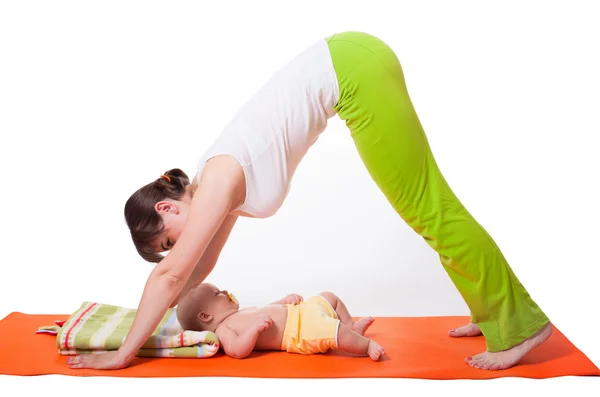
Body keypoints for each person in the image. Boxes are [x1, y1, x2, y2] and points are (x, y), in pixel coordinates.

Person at [66, 31, 552, 372]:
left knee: (428, 208)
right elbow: (196, 268)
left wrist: (124, 352)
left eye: (170, 239)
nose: (181, 246)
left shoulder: (215, 181)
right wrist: (145, 323)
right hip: (351, 58)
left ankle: (520, 325)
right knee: (429, 206)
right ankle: (492, 310)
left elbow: (173, 273)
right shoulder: (217, 184)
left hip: (353, 70)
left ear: (168, 209)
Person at [175, 283, 385, 361]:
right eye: (218, 293)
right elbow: (236, 350)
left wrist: (284, 301)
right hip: (299, 332)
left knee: (329, 297)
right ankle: (365, 346)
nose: (225, 292)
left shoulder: (241, 312)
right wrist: (253, 330)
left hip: (301, 312)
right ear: (206, 316)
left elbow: (268, 309)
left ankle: (351, 328)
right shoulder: (223, 329)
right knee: (332, 331)